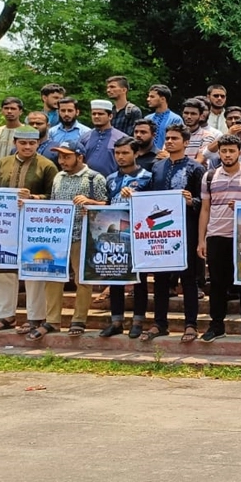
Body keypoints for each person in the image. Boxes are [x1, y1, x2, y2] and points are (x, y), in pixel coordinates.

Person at [0, 128, 57, 335]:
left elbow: (54, 196)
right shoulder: (3, 163)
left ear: (38, 144)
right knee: (0, 268)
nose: (27, 147)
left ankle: (35, 318)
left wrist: (34, 198)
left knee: (34, 268)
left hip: (34, 226)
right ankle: (6, 316)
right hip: (5, 224)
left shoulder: (47, 166)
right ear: (15, 142)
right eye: (23, 143)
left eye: (31, 144)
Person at [197, 134, 241, 343]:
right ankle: (217, 325)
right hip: (217, 235)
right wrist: (202, 239)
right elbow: (205, 209)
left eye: (231, 150)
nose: (227, 154)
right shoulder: (209, 177)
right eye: (224, 151)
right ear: (219, 153)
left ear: (239, 152)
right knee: (216, 284)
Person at [142, 124, 204, 342]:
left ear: (186, 142)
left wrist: (191, 201)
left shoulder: (196, 168)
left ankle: (190, 325)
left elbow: (203, 202)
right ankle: (160, 323)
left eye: (174, 138)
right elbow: (149, 197)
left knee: (188, 279)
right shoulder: (157, 167)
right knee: (160, 278)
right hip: (161, 233)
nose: (169, 141)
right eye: (167, 138)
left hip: (186, 230)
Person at [40, 141, 107, 338]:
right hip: (59, 235)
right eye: (60, 157)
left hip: (83, 234)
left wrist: (92, 203)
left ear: (80, 157)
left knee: (82, 279)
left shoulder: (95, 178)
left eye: (67, 156)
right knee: (53, 278)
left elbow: (107, 205)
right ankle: (52, 320)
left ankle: (79, 319)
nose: (62, 161)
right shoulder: (58, 177)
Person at [99, 137, 152, 338]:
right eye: (117, 153)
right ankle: (116, 321)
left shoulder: (147, 177)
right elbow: (106, 203)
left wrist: (136, 197)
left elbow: (154, 206)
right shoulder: (111, 178)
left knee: (139, 279)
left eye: (125, 153)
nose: (120, 157)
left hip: (138, 235)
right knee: (115, 277)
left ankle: (138, 321)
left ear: (136, 153)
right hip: (114, 235)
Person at [78, 99, 126, 179]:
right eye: (94, 114)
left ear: (110, 116)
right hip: (87, 183)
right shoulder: (84, 137)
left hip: (112, 183)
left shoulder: (122, 138)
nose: (96, 116)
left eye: (100, 114)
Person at [145, 84, 183, 151]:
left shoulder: (175, 119)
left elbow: (179, 141)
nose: (148, 99)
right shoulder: (147, 119)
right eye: (148, 96)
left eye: (152, 97)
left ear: (162, 99)